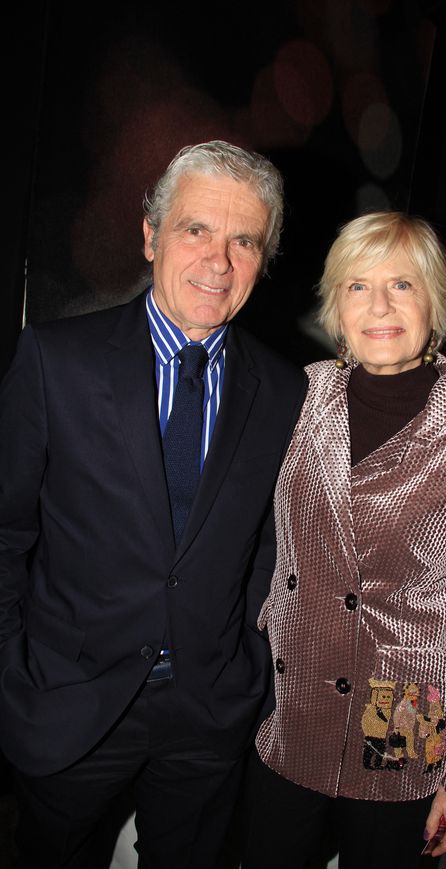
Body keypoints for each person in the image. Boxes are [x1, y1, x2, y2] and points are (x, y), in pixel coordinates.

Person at [0, 139, 307, 869]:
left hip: (208, 714)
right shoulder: (54, 360)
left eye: (244, 240)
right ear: (150, 232)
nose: (219, 261)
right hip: (70, 704)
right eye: (196, 229)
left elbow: (269, 544)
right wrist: (14, 678)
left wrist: (250, 667)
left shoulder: (285, 390)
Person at [241, 211, 446, 868]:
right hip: (294, 693)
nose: (380, 306)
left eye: (402, 285)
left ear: (435, 302)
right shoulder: (297, 396)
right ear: (336, 304)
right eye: (358, 286)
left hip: (404, 709)